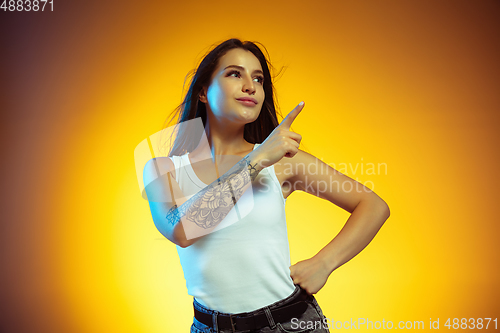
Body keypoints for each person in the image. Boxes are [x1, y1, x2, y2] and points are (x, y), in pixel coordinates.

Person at [143, 38, 390, 332]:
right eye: (235, 73)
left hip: (288, 323)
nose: (251, 86)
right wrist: (256, 159)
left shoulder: (284, 163)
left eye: (258, 78)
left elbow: (374, 206)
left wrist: (325, 263)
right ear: (203, 92)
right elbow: (182, 230)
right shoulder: (164, 170)